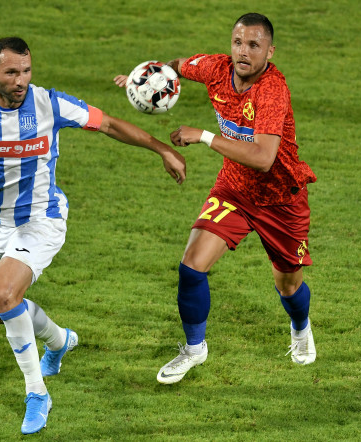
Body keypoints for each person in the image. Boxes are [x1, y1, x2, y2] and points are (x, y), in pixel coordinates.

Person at [0, 37, 186, 434]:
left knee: (5, 295)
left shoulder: (49, 103)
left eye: (26, 71)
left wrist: (161, 148)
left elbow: (109, 123)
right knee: (1, 311)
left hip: (42, 219)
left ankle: (37, 394)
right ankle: (61, 341)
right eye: (11, 72)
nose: (20, 80)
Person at [115, 12, 317, 384]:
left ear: (269, 51)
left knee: (288, 284)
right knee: (191, 266)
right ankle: (194, 349)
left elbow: (262, 158)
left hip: (281, 199)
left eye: (254, 45)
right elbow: (173, 67)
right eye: (238, 42)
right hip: (234, 189)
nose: (243, 51)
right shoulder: (214, 68)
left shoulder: (272, 90)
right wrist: (142, 79)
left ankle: (301, 327)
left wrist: (203, 136)